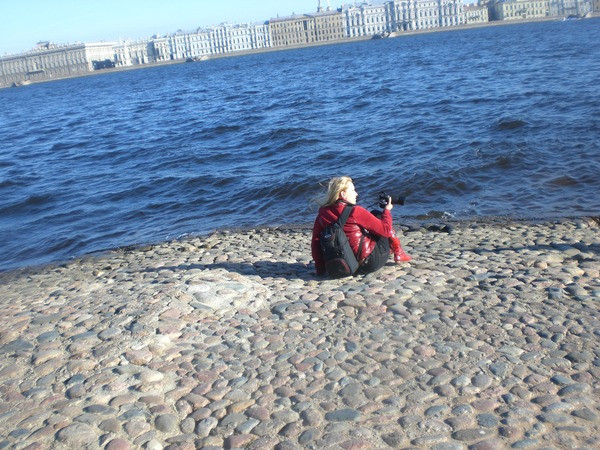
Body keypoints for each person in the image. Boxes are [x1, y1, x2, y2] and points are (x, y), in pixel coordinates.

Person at [311, 176, 411, 276]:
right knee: (378, 215)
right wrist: (387, 210)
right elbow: (386, 231)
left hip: (345, 266)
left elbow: (315, 243)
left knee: (373, 218)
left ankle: (396, 251)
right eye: (353, 190)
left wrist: (320, 270)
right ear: (343, 194)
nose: (356, 194)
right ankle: (398, 252)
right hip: (368, 263)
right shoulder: (355, 211)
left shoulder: (322, 214)